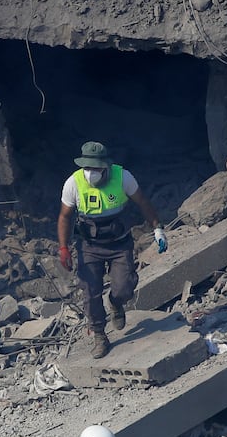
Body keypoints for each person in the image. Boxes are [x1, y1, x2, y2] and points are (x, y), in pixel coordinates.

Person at [57, 141, 166, 360]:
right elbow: (65, 216)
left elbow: (142, 202)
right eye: (88, 168)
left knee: (125, 285)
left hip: (119, 242)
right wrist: (64, 248)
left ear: (106, 165)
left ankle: (116, 303)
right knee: (90, 291)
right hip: (89, 246)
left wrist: (158, 228)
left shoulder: (123, 177)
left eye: (96, 168)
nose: (91, 173)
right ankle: (99, 335)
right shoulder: (73, 183)